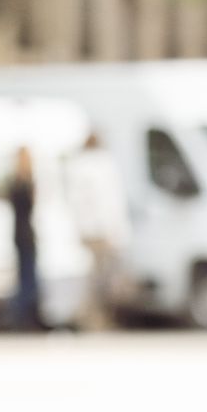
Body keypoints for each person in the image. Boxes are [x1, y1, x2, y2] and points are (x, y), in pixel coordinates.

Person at [64, 129, 132, 330]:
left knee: (95, 274)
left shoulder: (78, 166)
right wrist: (116, 229)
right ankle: (98, 316)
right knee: (102, 276)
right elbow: (111, 201)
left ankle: (92, 316)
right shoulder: (103, 165)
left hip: (88, 230)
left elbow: (76, 201)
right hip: (102, 229)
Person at [6, 145, 43, 331]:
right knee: (29, 278)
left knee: (24, 277)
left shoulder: (14, 181)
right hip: (26, 233)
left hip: (19, 233)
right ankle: (24, 316)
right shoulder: (25, 182)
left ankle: (22, 316)